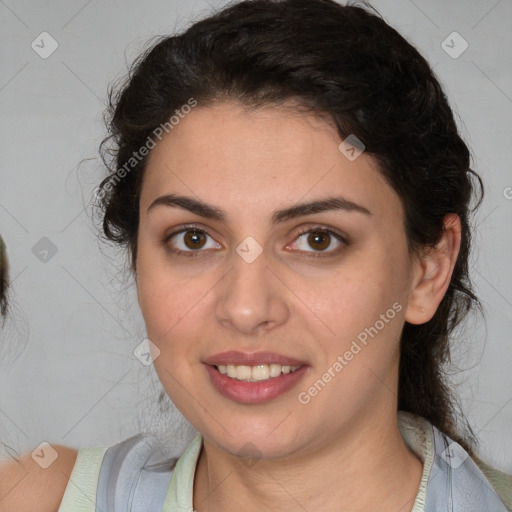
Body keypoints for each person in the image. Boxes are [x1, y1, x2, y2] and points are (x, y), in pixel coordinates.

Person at [1, 0, 511, 510]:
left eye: (317, 239)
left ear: (428, 270)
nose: (245, 309)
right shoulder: (36, 497)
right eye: (194, 239)